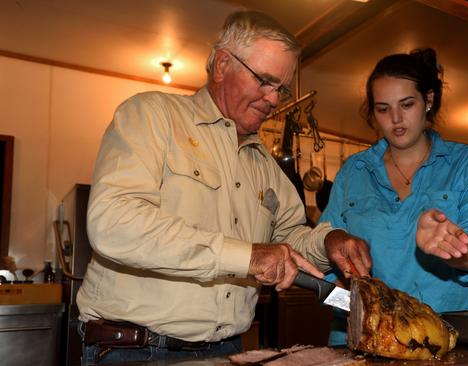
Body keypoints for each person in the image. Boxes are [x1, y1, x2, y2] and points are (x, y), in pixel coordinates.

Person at [76, 10, 370, 364]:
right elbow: (114, 223)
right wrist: (247, 257)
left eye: (282, 89)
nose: (275, 100)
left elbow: (290, 238)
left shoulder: (265, 166)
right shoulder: (152, 116)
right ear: (222, 65)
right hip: (135, 350)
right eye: (264, 81)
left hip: (230, 350)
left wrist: (328, 240)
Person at [319, 48, 468, 345]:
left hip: (447, 341)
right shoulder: (354, 171)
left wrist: (454, 247)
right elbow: (323, 255)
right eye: (382, 109)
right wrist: (349, 296)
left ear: (428, 101)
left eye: (406, 104)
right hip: (362, 341)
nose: (395, 119)